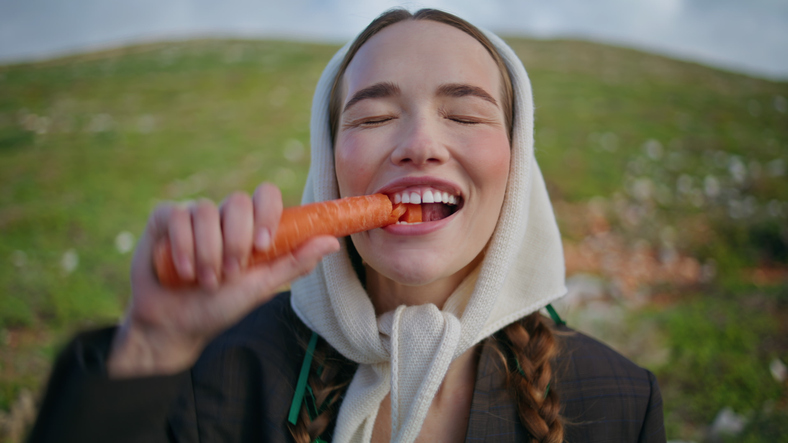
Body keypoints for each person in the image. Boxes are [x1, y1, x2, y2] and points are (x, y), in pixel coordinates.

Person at [28, 8, 665, 443]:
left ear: (517, 163)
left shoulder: (619, 403)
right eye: (371, 118)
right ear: (330, 165)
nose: (420, 144)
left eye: (465, 116)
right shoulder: (214, 373)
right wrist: (151, 345)